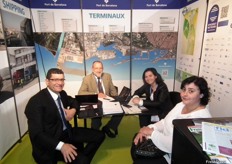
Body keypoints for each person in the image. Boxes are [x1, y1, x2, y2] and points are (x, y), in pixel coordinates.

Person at [25, 68, 105, 164]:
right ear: (47, 82)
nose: (60, 83)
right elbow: (37, 134)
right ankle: (81, 159)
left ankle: (80, 158)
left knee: (100, 135)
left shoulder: (61, 93)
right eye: (55, 80)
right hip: (50, 142)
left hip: (67, 132)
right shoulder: (36, 102)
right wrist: (62, 146)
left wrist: (73, 110)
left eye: (62, 79)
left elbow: (75, 101)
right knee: (82, 161)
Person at [131, 76, 212, 164]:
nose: (185, 94)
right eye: (184, 89)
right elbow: (164, 121)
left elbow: (174, 146)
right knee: (137, 141)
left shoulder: (200, 119)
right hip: (163, 144)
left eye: (191, 91)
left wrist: (151, 132)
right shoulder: (181, 105)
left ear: (201, 94)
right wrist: (148, 128)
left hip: (174, 156)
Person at [78, 61, 123, 138]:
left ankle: (108, 127)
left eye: (100, 68)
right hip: (96, 102)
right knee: (96, 120)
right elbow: (80, 93)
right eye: (96, 68)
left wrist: (116, 99)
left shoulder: (107, 76)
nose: (99, 70)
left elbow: (112, 89)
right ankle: (95, 134)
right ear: (92, 69)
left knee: (121, 111)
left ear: (103, 69)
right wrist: (96, 94)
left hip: (107, 101)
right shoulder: (87, 79)